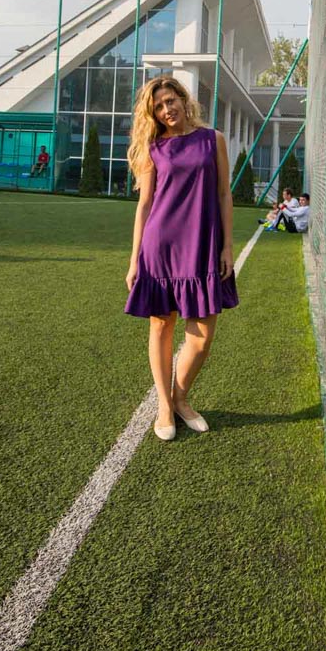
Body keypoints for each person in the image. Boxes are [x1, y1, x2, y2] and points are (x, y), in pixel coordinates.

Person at [124, 75, 238, 441]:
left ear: (183, 99)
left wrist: (227, 246)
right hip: (160, 245)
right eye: (158, 106)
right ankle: (164, 404)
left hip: (203, 244)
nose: (166, 109)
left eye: (170, 101)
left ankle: (180, 397)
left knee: (201, 337)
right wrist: (134, 259)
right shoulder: (153, 146)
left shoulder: (213, 139)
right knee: (161, 326)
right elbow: (145, 205)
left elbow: (224, 194)